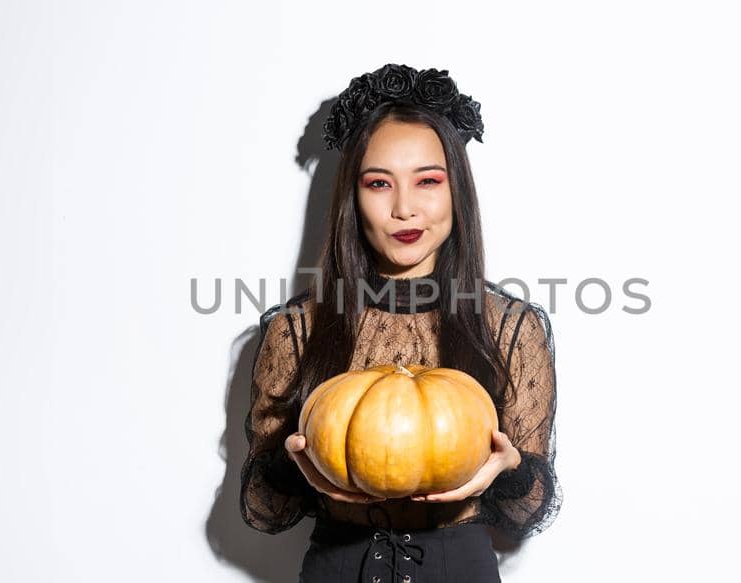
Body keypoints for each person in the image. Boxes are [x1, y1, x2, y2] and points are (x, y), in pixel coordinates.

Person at [240, 64, 561, 583]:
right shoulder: (297, 329)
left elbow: (530, 510)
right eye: (379, 183)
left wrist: (510, 470)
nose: (405, 208)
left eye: (428, 181)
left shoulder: (510, 328)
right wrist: (292, 461)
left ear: (457, 190)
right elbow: (263, 509)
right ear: (353, 197)